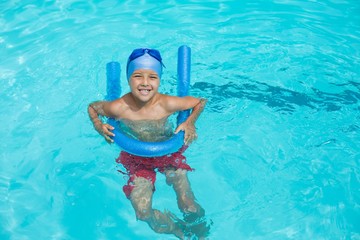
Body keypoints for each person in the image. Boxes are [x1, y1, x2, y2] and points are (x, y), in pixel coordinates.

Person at [88, 48, 209, 239]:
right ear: (128, 79)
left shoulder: (167, 104)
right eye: (137, 76)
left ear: (159, 79)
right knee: (143, 212)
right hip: (135, 159)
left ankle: (200, 232)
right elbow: (93, 107)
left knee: (188, 205)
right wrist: (98, 125)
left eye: (152, 77)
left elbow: (200, 102)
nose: (145, 83)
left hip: (168, 154)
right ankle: (176, 229)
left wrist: (190, 122)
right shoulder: (119, 107)